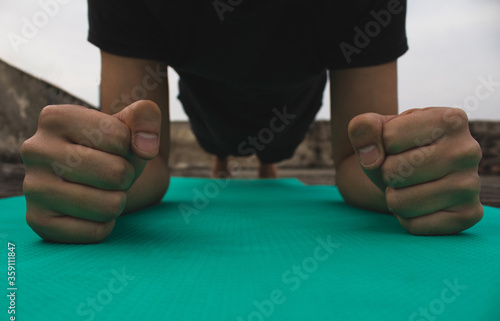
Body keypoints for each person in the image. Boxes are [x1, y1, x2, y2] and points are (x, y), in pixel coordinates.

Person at [20, 0, 483, 243]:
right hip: (206, 95)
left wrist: (411, 172)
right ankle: (224, 163)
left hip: (293, 98)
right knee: (217, 141)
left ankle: (266, 168)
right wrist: (98, 176)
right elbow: (145, 155)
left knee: (273, 151)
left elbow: (356, 157)